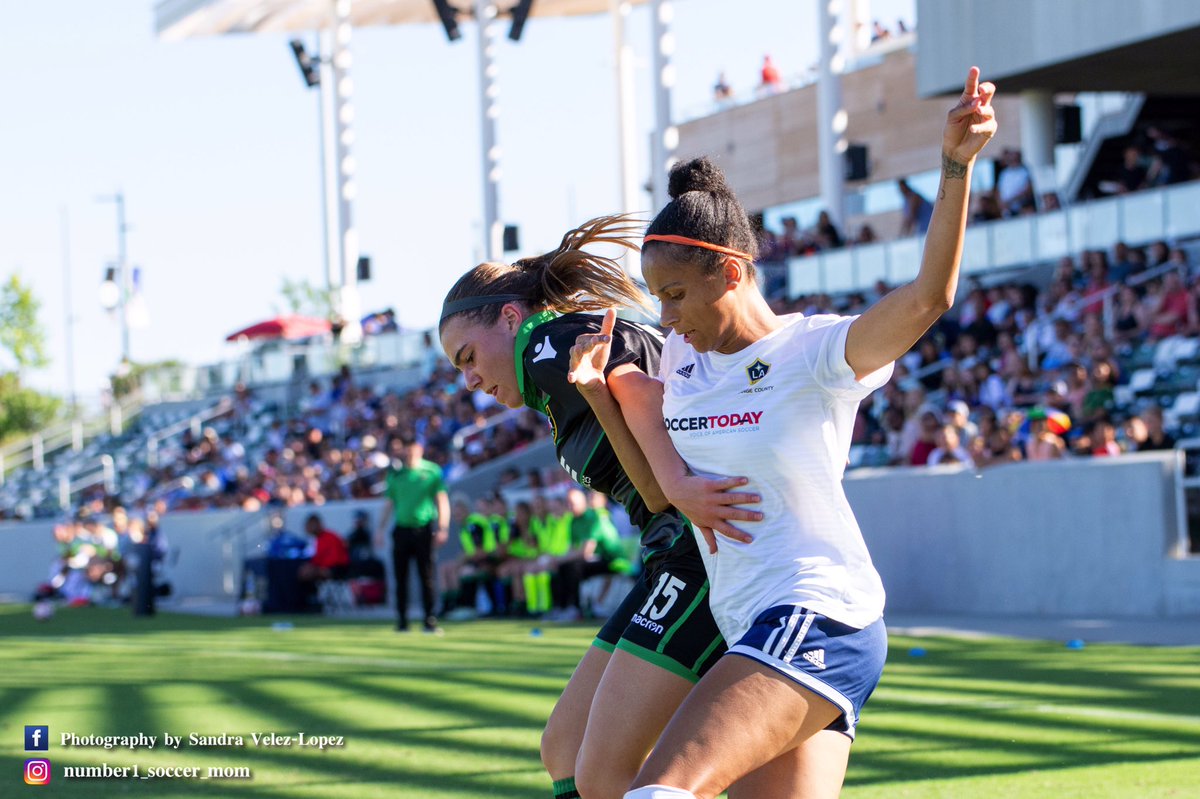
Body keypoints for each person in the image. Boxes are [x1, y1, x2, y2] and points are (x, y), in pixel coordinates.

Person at [570, 67, 996, 799]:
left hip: (817, 612)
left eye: (676, 294)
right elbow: (657, 481)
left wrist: (955, 165)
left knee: (658, 791)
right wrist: (598, 396)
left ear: (731, 272)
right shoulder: (683, 360)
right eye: (657, 298)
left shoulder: (813, 352)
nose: (665, 318)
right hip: (746, 626)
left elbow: (930, 298)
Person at [438, 215, 768, 799]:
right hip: (675, 554)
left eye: (467, 356)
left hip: (701, 550)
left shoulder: (546, 349)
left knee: (601, 772)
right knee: (563, 749)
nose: (468, 380)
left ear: (511, 318)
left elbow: (645, 399)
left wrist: (672, 484)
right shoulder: (555, 357)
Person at [375, 433, 450, 634]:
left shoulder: (431, 471)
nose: (409, 453)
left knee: (426, 576)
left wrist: (442, 527)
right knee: (401, 578)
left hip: (423, 529)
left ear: (420, 449)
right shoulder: (396, 474)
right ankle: (402, 621)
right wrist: (380, 529)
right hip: (402, 529)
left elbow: (441, 500)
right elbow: (389, 504)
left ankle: (429, 620)